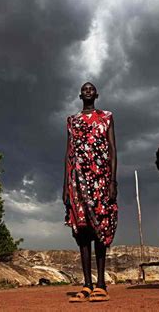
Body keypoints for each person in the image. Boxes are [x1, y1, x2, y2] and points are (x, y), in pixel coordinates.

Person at [63, 82, 118, 303]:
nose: (87, 91)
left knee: (99, 229)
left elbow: (112, 149)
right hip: (77, 181)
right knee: (82, 232)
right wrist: (65, 186)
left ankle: (101, 284)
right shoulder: (72, 121)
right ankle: (86, 284)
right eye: (84, 89)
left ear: (96, 94)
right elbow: (68, 154)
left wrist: (112, 181)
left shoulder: (106, 117)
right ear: (80, 95)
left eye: (91, 88)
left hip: (101, 179)